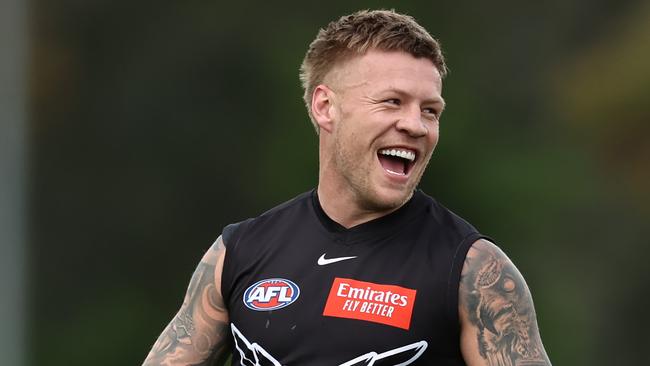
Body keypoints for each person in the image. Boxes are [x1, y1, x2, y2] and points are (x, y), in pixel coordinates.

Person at [143, 9, 551, 366]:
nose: (416, 125)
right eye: (392, 102)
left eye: (430, 110)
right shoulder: (239, 252)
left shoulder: (475, 272)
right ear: (325, 107)